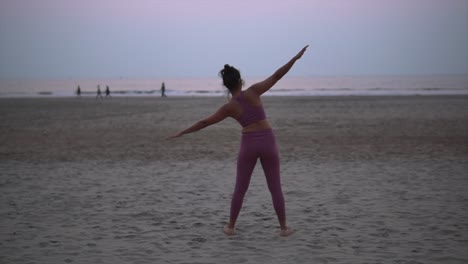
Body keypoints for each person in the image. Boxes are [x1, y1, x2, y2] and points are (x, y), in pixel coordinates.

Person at [167, 45, 308, 237]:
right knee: (275, 187)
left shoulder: (229, 107)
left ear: (225, 85)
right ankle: (284, 228)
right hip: (267, 141)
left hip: (249, 144)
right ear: (241, 81)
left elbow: (205, 122)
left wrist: (182, 132)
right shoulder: (254, 91)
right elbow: (277, 75)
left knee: (240, 188)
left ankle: (231, 227)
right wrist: (295, 58)